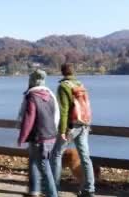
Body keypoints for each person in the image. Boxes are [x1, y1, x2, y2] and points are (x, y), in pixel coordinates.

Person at [51, 63, 95, 197]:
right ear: (72, 72)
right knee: (85, 156)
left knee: (56, 154)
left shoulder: (63, 86)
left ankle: (53, 189)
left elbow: (63, 111)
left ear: (62, 72)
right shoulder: (80, 85)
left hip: (71, 126)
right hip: (84, 125)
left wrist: (62, 130)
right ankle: (89, 189)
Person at [17, 69, 60, 197]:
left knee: (44, 167)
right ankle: (34, 191)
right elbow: (56, 116)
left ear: (31, 81)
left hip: (38, 138)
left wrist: (22, 137)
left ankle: (52, 195)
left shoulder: (32, 96)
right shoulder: (50, 96)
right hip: (50, 136)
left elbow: (29, 119)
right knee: (34, 161)